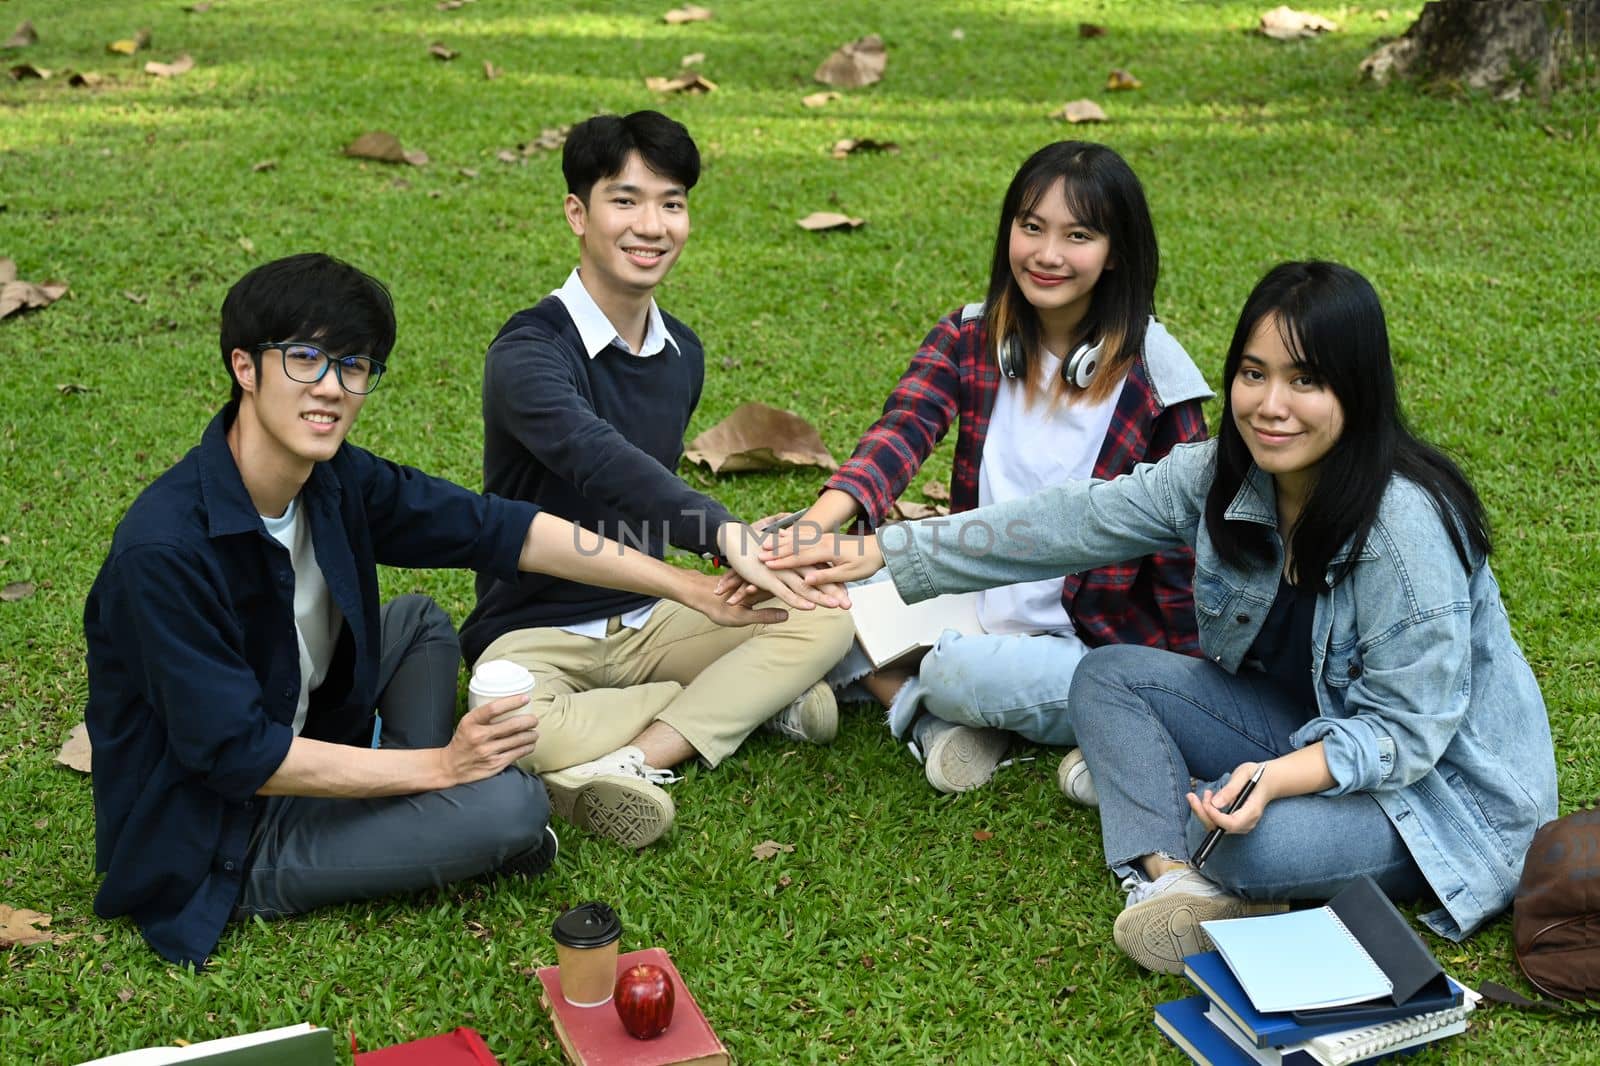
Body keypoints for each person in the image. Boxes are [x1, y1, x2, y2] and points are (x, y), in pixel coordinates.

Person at [764, 261, 1558, 973]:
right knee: (1109, 677)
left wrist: (1272, 780)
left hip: (1435, 800)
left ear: (1357, 389)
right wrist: (886, 554)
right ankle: (1170, 881)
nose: (1270, 405)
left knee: (1245, 844)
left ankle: (1211, 854)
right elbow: (1068, 524)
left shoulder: (1402, 531)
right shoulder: (1222, 475)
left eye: (1305, 381)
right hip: (1304, 730)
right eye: (1253, 373)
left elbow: (1405, 735)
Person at [84, 253, 789, 968]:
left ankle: (394, 799)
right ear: (244, 367)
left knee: (419, 620)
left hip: (306, 729)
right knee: (512, 807)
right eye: (304, 359)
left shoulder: (334, 479)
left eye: (353, 365)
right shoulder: (165, 550)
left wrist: (686, 585)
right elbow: (238, 756)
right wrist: (443, 769)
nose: (331, 387)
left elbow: (498, 528)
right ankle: (426, 806)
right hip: (224, 832)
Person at [457, 110, 854, 850]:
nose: (652, 225)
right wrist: (722, 531)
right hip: (533, 631)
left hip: (653, 616)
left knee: (824, 615)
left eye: (671, 203)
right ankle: (734, 707)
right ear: (578, 213)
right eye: (626, 200)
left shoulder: (683, 353)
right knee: (515, 734)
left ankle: (637, 759)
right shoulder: (527, 352)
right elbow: (598, 458)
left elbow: (646, 490)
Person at [771, 140, 1210, 794]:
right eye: (1031, 226)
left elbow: (1183, 559)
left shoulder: (1158, 383)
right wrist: (810, 531)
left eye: (1078, 235)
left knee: (959, 674)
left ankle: (905, 698)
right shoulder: (972, 337)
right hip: (967, 590)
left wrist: (1184, 689)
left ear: (1116, 252)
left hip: (1087, 644)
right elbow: (899, 434)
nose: (1047, 254)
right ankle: (937, 724)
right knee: (788, 562)